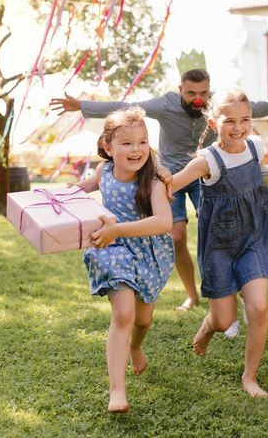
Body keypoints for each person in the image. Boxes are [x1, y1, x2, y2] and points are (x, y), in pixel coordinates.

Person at [51, 61, 268, 312]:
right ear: (180, 90)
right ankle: (191, 294)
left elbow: (262, 108)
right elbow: (128, 106)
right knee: (176, 236)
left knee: (224, 230)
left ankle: (237, 286)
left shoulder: (219, 108)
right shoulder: (166, 105)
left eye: (203, 92)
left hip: (205, 173)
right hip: (167, 179)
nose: (197, 98)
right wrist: (82, 106)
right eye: (191, 93)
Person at [170, 89, 268, 398]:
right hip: (220, 247)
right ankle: (209, 327)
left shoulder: (255, 148)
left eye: (245, 120)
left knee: (259, 308)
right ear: (213, 122)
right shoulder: (207, 160)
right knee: (224, 320)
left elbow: (263, 183)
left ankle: (249, 377)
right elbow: (172, 184)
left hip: (255, 239)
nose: (239, 128)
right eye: (230, 121)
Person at [72, 107, 174, 413]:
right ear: (108, 147)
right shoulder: (103, 172)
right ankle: (117, 391)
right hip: (112, 251)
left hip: (147, 252)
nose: (136, 149)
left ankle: (135, 345)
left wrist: (118, 230)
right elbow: (76, 191)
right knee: (124, 314)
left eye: (142, 142)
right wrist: (46, 199)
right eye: (127, 143)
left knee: (142, 320)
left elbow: (164, 222)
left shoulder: (153, 182)